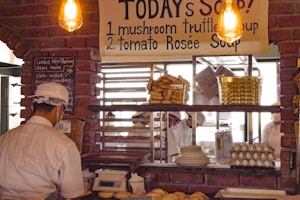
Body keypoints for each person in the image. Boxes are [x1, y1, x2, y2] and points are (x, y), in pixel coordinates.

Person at [0, 82, 84, 199]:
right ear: (59, 109)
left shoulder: (5, 138)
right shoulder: (64, 145)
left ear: (32, 106)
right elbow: (72, 194)